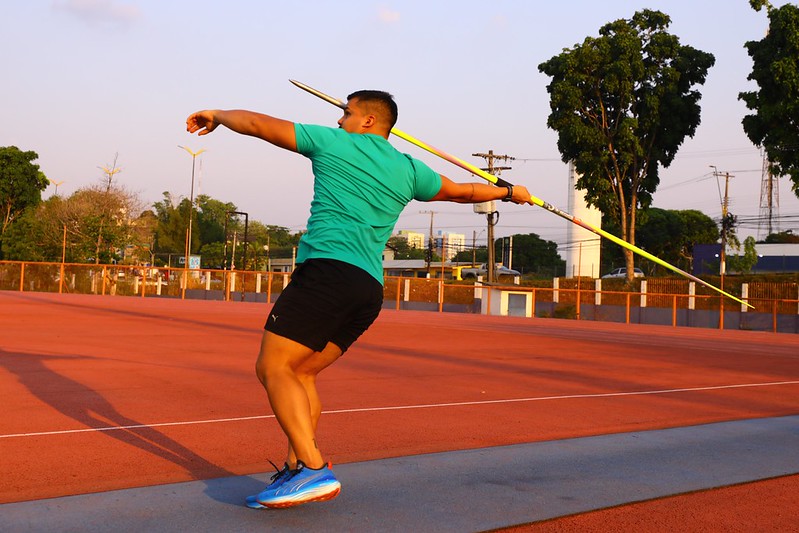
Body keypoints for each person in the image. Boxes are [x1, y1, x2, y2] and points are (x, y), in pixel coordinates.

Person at [185, 90, 533, 509]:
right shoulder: (409, 169)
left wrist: (218, 114)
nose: (338, 120)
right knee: (303, 373)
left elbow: (259, 126)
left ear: (368, 120)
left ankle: (313, 469)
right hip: (367, 289)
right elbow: (461, 192)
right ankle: (299, 470)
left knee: (273, 367)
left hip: (327, 272)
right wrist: (509, 193)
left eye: (346, 113)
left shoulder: (334, 143)